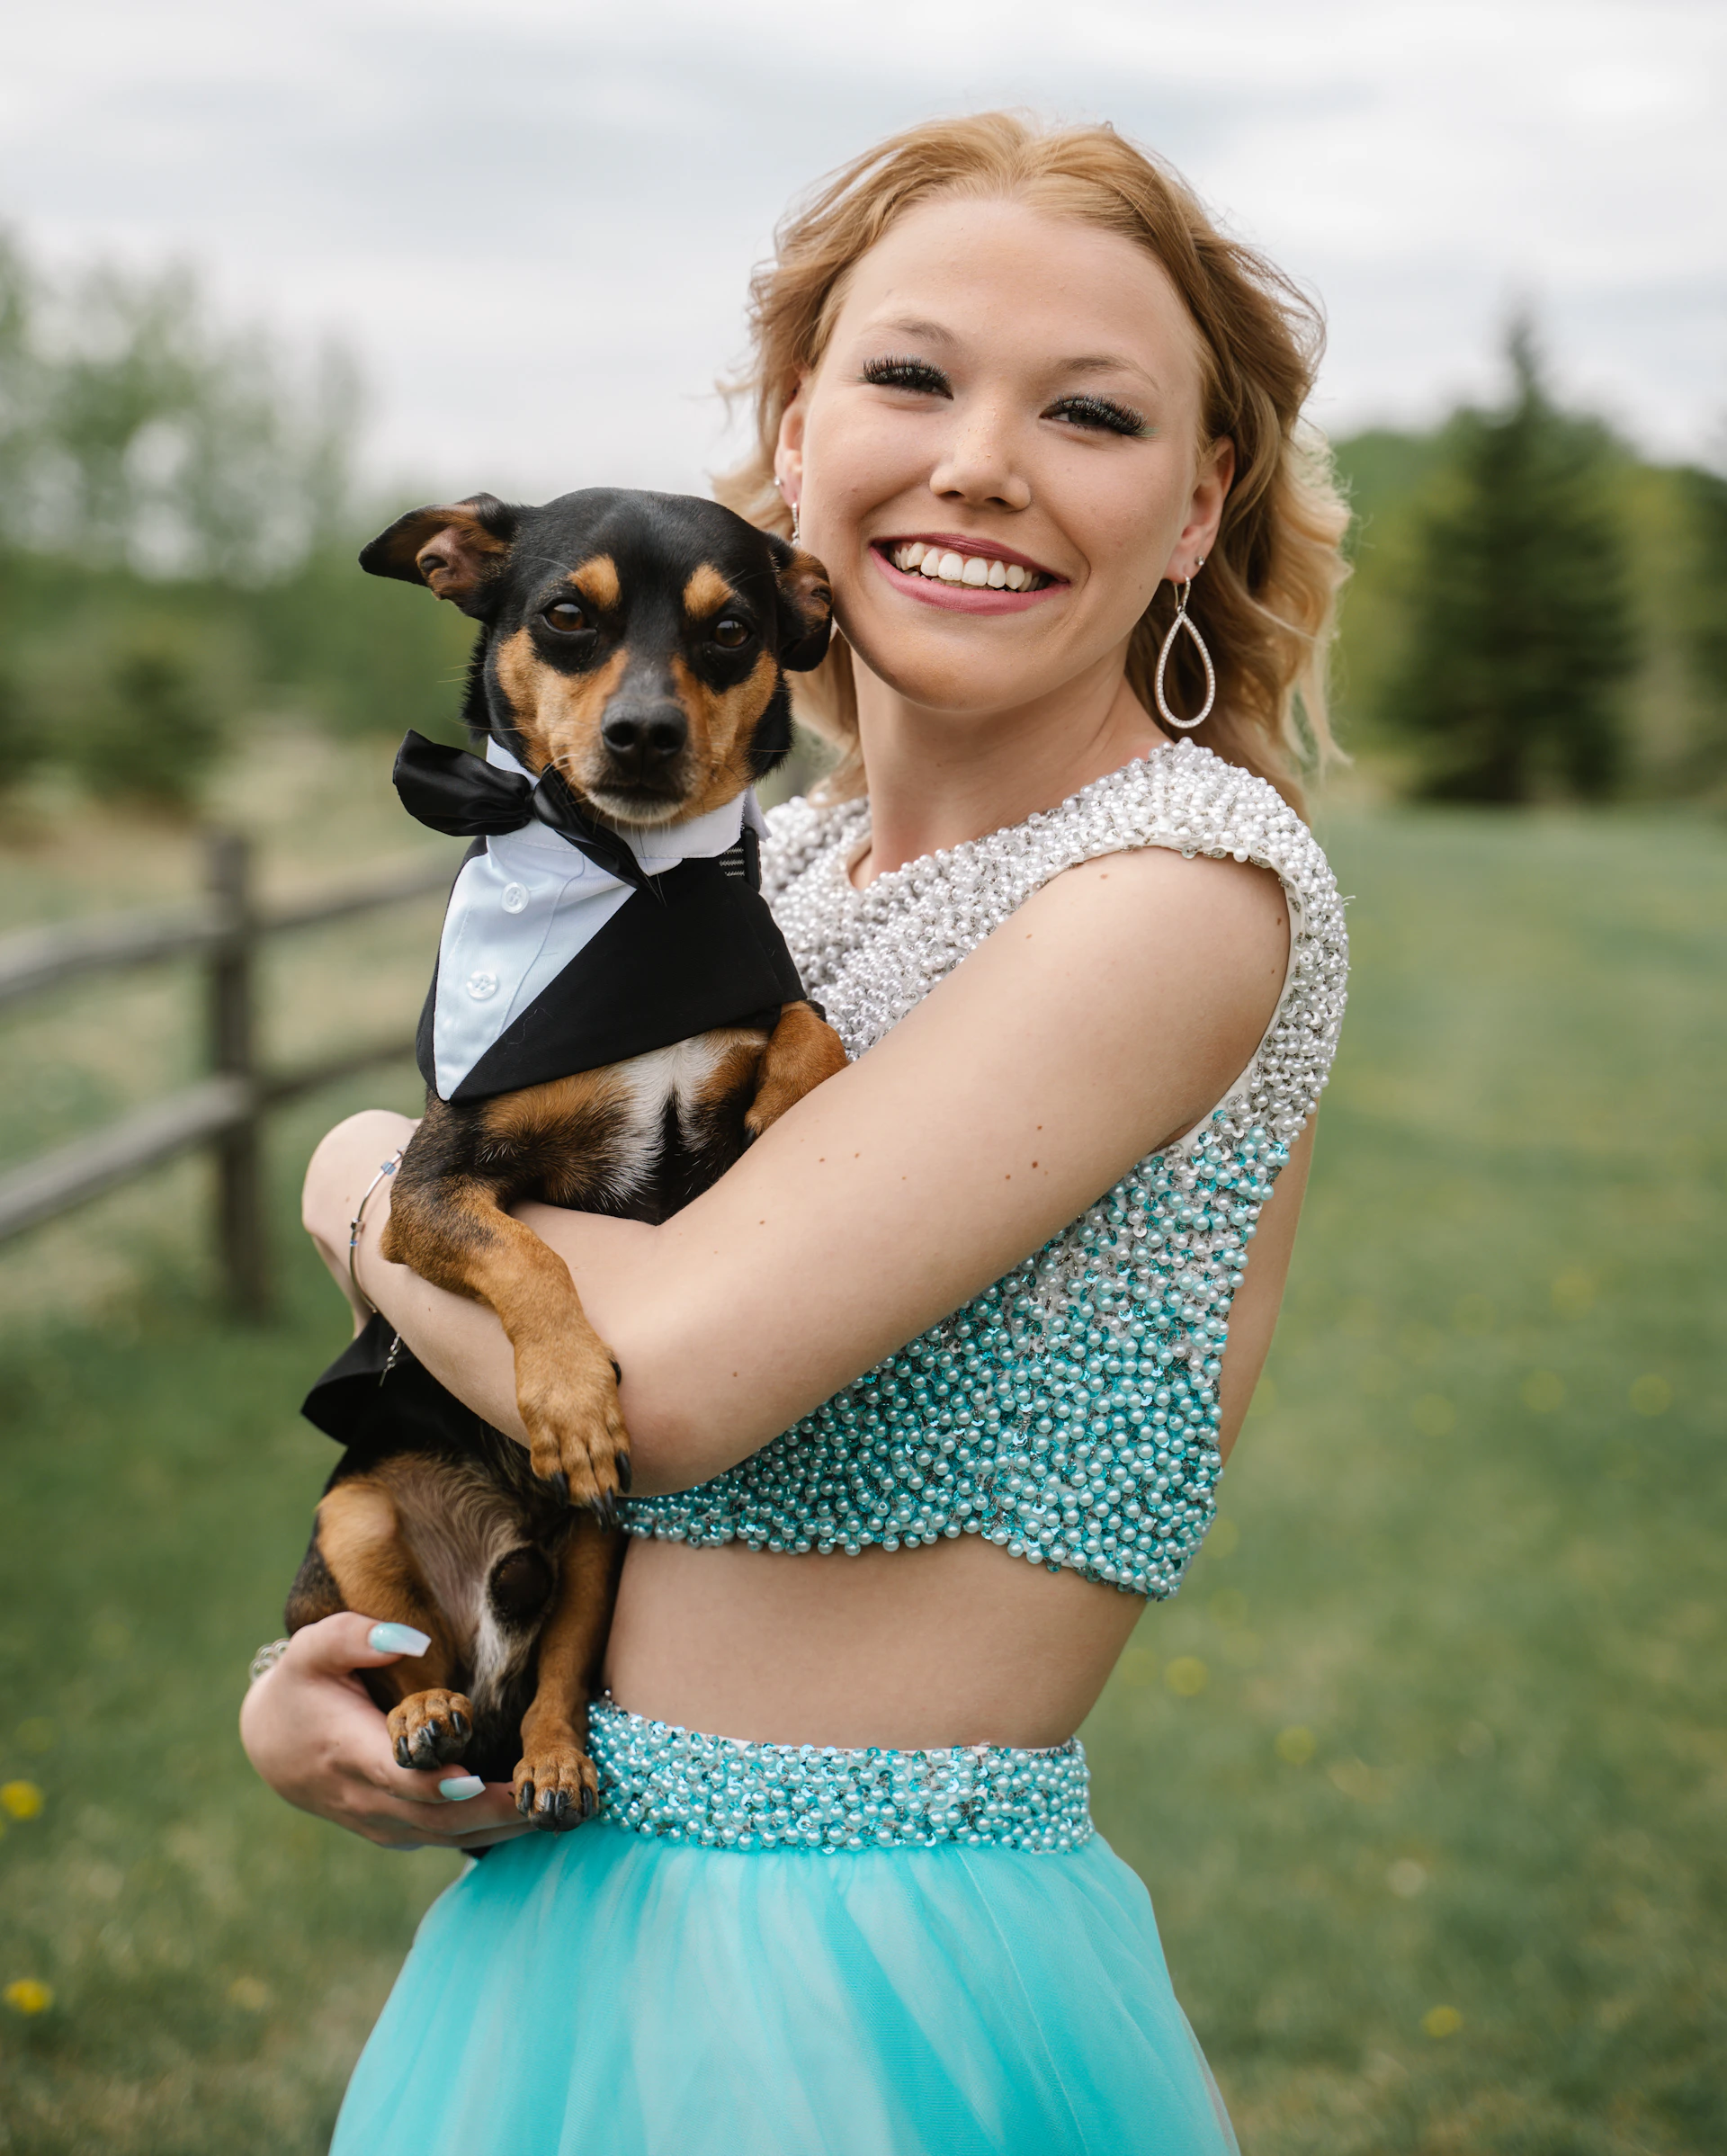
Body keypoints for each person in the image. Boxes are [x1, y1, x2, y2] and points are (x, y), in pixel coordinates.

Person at [243, 110, 1349, 2154]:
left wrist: (344, 1169)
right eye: (913, 375)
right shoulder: (769, 889)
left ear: (1197, 510)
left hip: (858, 1972)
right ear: (795, 430)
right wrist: (341, 1660)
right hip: (570, 1898)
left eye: (1090, 414)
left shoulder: (1173, 890)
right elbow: (517, 1402)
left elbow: (656, 1383)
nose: (983, 459)